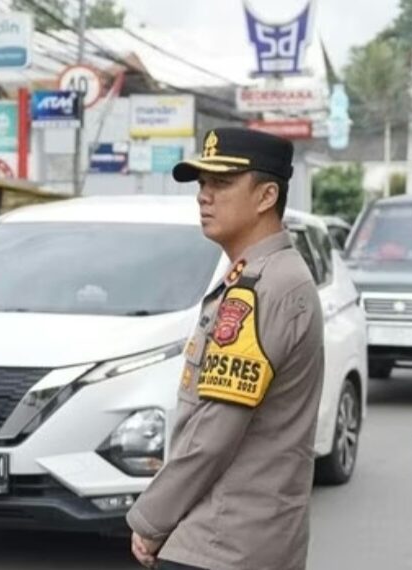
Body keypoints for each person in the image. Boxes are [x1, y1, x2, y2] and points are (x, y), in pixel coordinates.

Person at [126, 127, 325, 570]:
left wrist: (151, 518)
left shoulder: (262, 288)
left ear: (266, 196)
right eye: (202, 183)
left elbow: (213, 433)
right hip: (236, 538)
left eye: (221, 182)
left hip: (222, 542)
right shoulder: (262, 276)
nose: (204, 196)